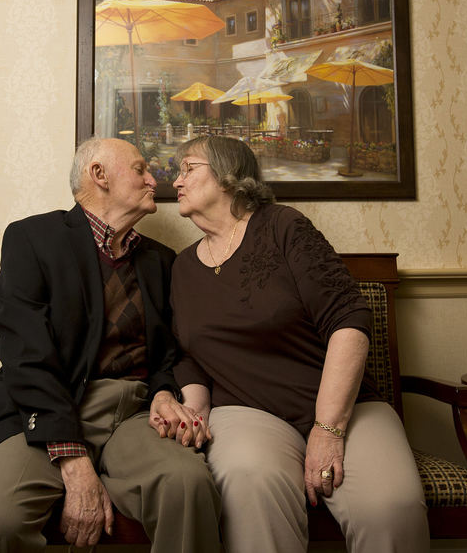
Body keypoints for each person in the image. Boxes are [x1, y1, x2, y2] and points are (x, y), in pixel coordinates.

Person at [0, 137, 220, 553]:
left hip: (135, 416)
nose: (154, 179)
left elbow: (170, 354)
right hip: (44, 414)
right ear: (99, 175)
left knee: (189, 484)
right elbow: (26, 357)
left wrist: (166, 392)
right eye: (140, 169)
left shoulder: (162, 261)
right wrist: (73, 460)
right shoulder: (32, 239)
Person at [170, 135, 429, 553]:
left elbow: (349, 319)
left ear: (228, 176)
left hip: (344, 406)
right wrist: (196, 408)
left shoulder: (283, 226)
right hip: (246, 412)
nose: (175, 180)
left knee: (391, 507)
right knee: (250, 481)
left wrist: (328, 429)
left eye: (188, 168)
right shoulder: (181, 267)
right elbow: (189, 354)